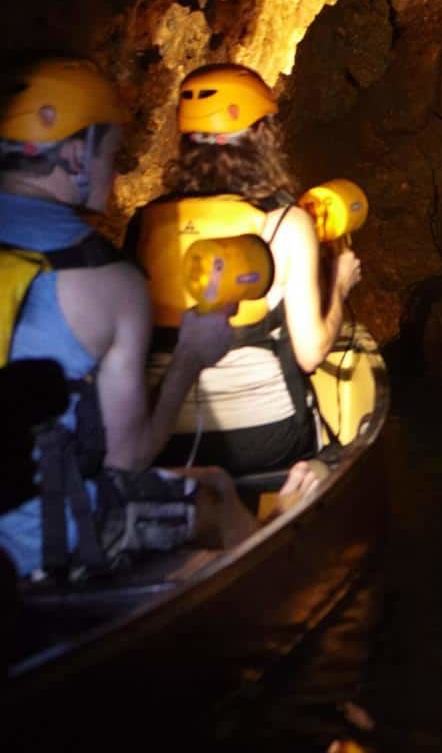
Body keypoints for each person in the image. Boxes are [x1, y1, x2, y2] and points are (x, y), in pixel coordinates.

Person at [0, 55, 309, 583]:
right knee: (214, 494)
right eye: (110, 152)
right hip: (37, 537)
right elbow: (127, 461)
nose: (116, 169)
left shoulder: (143, 227)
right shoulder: (106, 277)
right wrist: (190, 355)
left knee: (207, 472)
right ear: (75, 153)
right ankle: (265, 583)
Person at [130, 63, 361, 477]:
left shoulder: (146, 223)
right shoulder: (286, 223)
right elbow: (310, 354)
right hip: (265, 438)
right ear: (263, 136)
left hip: (165, 439)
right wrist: (340, 286)